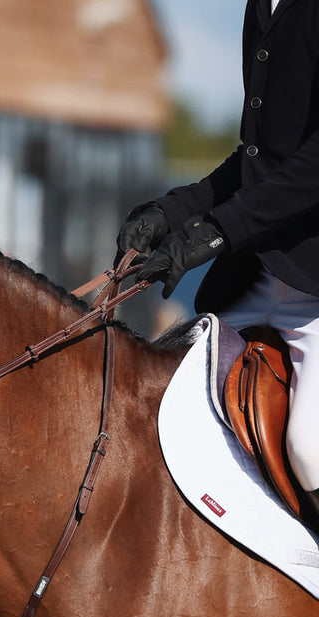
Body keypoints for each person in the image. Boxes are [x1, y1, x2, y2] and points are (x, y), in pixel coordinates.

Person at [116, 0, 319, 528]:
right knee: (162, 404)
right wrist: (172, 212)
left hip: (315, 292)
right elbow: (257, 161)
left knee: (310, 449)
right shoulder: (262, 6)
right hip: (257, 277)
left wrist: (218, 230)